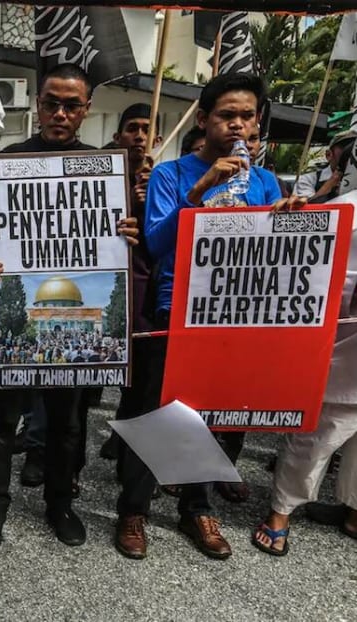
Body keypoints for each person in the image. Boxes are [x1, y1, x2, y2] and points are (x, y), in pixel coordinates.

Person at [127, 72, 300, 561]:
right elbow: (157, 247)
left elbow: (274, 253)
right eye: (228, 115)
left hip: (232, 315)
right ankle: (133, 507)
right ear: (204, 120)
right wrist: (200, 191)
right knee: (157, 412)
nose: (239, 126)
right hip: (174, 311)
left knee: (210, 416)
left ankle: (196, 506)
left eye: (248, 116)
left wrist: (289, 219)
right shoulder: (171, 174)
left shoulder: (265, 181)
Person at [0, 63, 140, 550]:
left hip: (72, 315)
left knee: (69, 423)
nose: (59, 113)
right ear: (38, 105)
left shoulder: (105, 169)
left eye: (71, 105)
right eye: (51, 103)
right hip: (16, 322)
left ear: (86, 110)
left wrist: (132, 236)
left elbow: (129, 245)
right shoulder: (8, 162)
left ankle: (60, 502)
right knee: (3, 420)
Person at [251, 162, 357, 556]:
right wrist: (294, 217)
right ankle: (281, 513)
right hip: (344, 359)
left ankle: (353, 512)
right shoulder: (344, 212)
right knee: (317, 440)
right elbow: (305, 276)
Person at [99, 104, 157, 476]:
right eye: (132, 128)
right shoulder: (104, 179)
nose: (139, 135)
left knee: (142, 374)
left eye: (146, 129)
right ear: (118, 136)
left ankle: (127, 440)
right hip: (110, 289)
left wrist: (149, 202)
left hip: (146, 290)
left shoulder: (163, 180)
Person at [294, 130, 356, 203]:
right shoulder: (308, 180)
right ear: (329, 155)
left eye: (354, 147)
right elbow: (308, 211)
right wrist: (332, 182)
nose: (352, 151)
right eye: (346, 147)